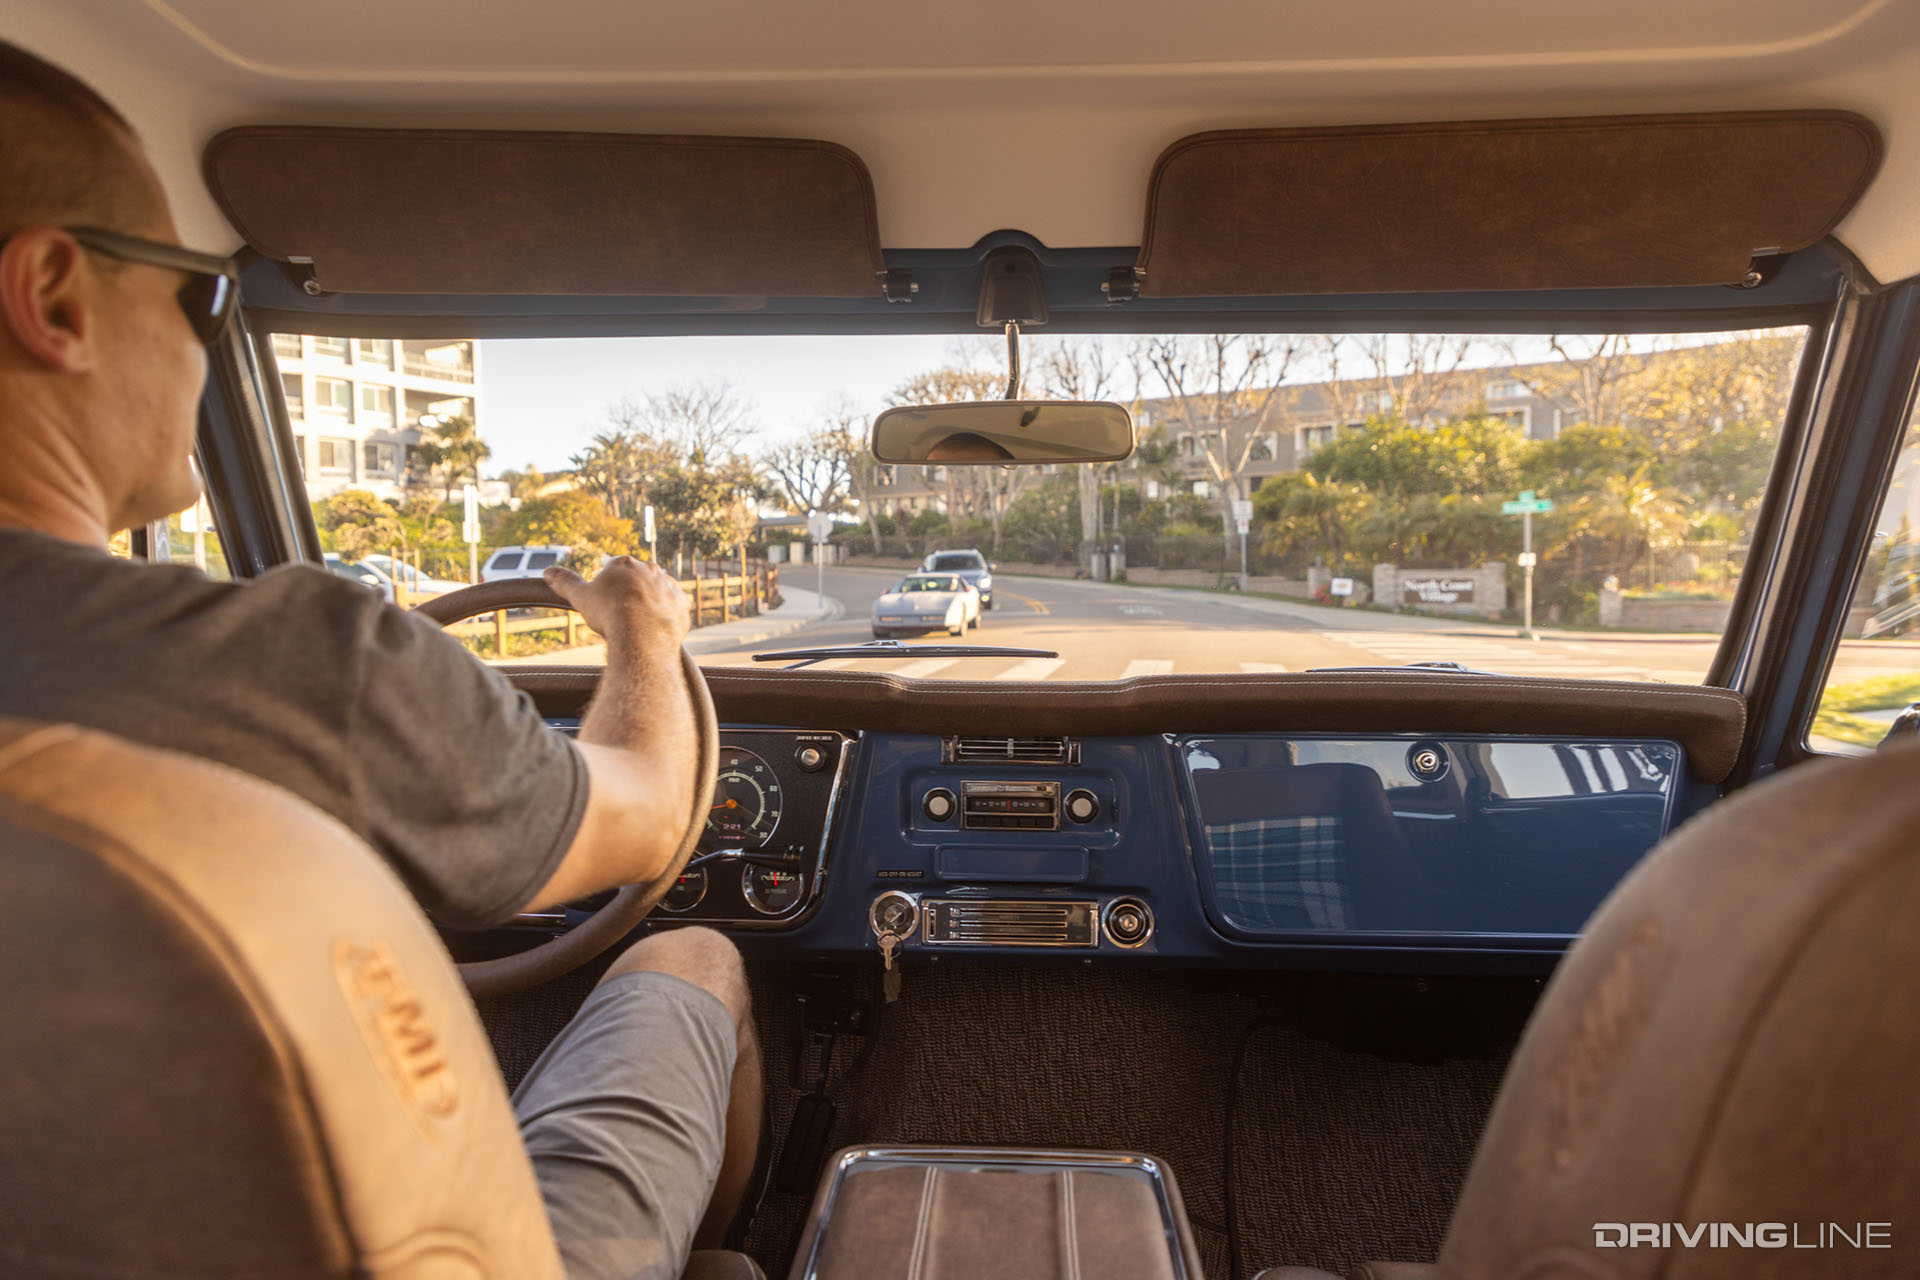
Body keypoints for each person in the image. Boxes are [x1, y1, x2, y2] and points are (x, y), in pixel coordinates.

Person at [0, 41, 758, 1280]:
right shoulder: (301, 671)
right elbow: (648, 809)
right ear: (57, 299)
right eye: (202, 299)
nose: (202, 349)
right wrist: (644, 630)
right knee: (694, 956)